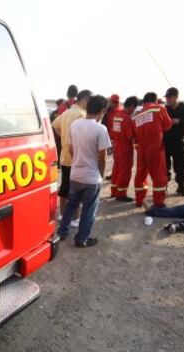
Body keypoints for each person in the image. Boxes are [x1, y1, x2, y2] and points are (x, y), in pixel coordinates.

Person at [58, 95, 112, 247]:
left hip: (75, 174)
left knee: (71, 205)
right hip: (91, 178)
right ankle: (82, 239)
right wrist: (100, 174)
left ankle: (62, 232)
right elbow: (102, 158)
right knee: (89, 210)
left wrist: (78, 160)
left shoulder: (75, 124)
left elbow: (70, 147)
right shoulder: (101, 129)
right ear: (102, 111)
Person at [53, 90, 93, 227]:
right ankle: (75, 218)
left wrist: (63, 137)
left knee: (64, 187)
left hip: (64, 156)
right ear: (84, 100)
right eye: (90, 101)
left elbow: (54, 125)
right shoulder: (82, 115)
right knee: (76, 190)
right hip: (76, 157)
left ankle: (62, 214)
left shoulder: (66, 112)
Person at [126, 92, 172, 208]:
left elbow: (133, 136)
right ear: (155, 100)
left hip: (141, 149)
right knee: (158, 175)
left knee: (140, 174)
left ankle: (139, 200)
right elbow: (167, 125)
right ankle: (159, 202)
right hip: (155, 148)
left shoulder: (136, 116)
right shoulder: (158, 108)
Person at [164, 87, 184, 197]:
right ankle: (164, 187)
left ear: (176, 97)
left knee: (181, 165)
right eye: (167, 97)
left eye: (169, 97)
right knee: (164, 165)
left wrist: (179, 121)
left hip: (178, 141)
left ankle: (181, 187)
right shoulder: (165, 109)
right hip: (165, 141)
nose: (167, 99)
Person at [109, 96, 139, 201]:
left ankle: (114, 191)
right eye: (134, 109)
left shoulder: (117, 115)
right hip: (125, 147)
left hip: (117, 146)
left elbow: (112, 131)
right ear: (131, 106)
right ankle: (121, 194)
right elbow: (130, 136)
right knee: (125, 171)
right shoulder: (126, 118)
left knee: (116, 169)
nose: (133, 111)